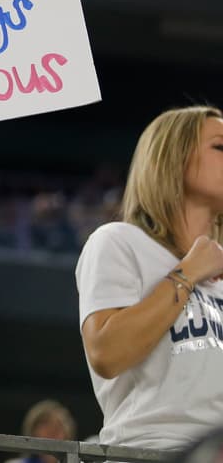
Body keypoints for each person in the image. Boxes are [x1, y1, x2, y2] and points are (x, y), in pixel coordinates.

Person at [75, 105, 223, 450]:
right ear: (173, 158)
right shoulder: (119, 242)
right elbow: (106, 353)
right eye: (219, 146)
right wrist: (188, 273)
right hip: (152, 452)